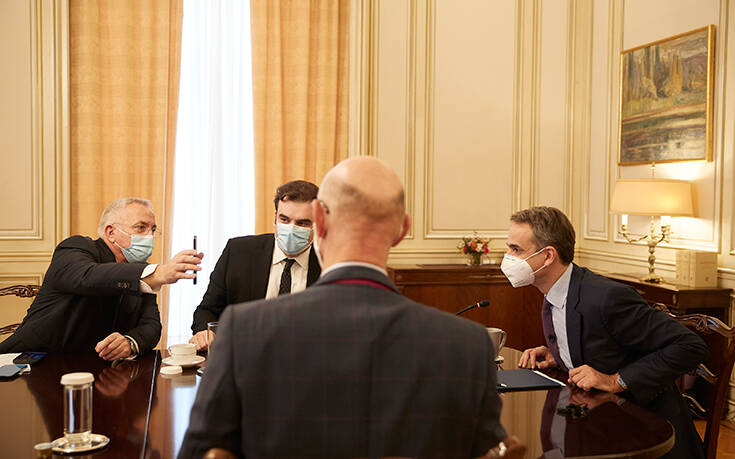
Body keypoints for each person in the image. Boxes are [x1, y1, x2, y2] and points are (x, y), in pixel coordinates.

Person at [179, 157, 507, 458]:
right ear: (402, 230)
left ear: (319, 221)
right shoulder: (468, 346)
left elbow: (201, 452)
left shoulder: (243, 331)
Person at [507, 206, 707, 459]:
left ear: (548, 256)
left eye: (516, 250)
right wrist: (558, 354)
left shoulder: (607, 297)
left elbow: (690, 345)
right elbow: (603, 345)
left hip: (643, 435)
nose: (508, 257)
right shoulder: (553, 290)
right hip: (595, 423)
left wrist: (615, 380)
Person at [0, 198, 203, 360]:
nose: (149, 236)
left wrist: (129, 342)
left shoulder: (141, 270)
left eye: (152, 230)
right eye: (141, 227)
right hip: (29, 363)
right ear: (111, 232)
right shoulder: (76, 248)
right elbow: (88, 276)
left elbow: (151, 326)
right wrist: (157, 273)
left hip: (93, 370)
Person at [189, 180, 321, 350]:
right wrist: (204, 333)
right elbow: (207, 311)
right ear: (275, 217)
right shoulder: (238, 252)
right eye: (284, 219)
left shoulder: (329, 262)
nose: (291, 229)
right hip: (245, 356)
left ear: (318, 223)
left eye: (302, 223)